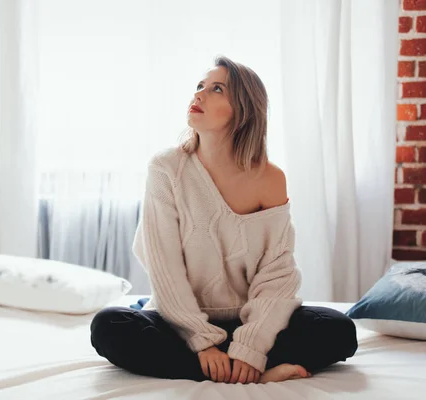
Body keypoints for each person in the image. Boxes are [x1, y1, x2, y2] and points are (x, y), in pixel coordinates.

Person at [90, 56, 358, 384]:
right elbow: (166, 269)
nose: (199, 94)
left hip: (246, 322)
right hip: (180, 323)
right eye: (199, 86)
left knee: (339, 329)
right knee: (109, 325)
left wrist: (252, 345)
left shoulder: (270, 179)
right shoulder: (166, 168)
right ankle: (251, 376)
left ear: (244, 109)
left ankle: (232, 367)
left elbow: (277, 274)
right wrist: (202, 341)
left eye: (216, 89)